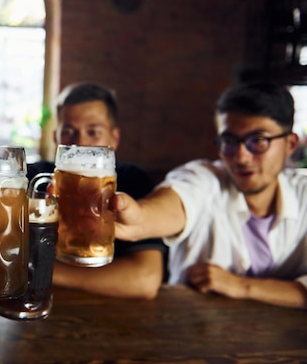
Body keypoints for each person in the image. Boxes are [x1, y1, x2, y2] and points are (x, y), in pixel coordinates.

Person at [115, 82, 307, 309]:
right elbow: (178, 200)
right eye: (229, 142)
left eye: (258, 141)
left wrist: (240, 286)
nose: (241, 157)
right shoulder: (204, 178)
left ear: (290, 144)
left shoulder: (303, 193)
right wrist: (140, 220)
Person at [29, 82, 167, 299]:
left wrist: (43, 272)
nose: (80, 143)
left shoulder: (132, 179)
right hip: (40, 307)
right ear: (56, 138)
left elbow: (145, 280)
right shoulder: (37, 177)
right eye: (69, 131)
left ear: (114, 138)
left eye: (93, 132)